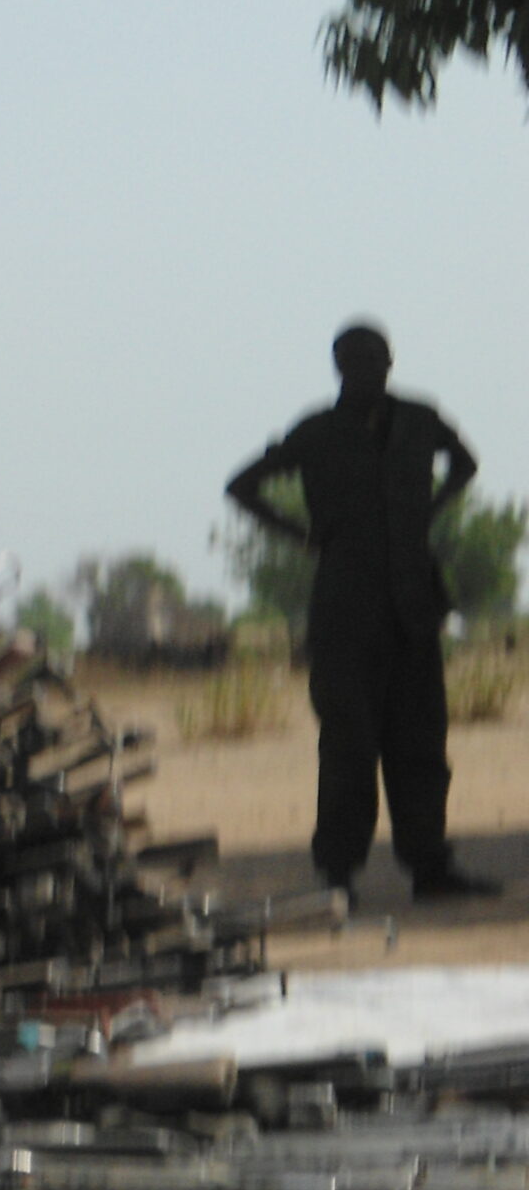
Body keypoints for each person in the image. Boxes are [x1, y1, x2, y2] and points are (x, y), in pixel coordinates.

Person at [226, 322, 499, 905]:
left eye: (377, 360)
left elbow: (466, 463)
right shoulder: (318, 433)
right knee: (348, 748)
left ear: (391, 363)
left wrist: (430, 510)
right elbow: (242, 485)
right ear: (339, 368)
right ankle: (338, 874)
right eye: (357, 361)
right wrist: (303, 535)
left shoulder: (420, 421)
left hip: (412, 609)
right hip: (344, 616)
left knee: (421, 746)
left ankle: (430, 867)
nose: (370, 371)